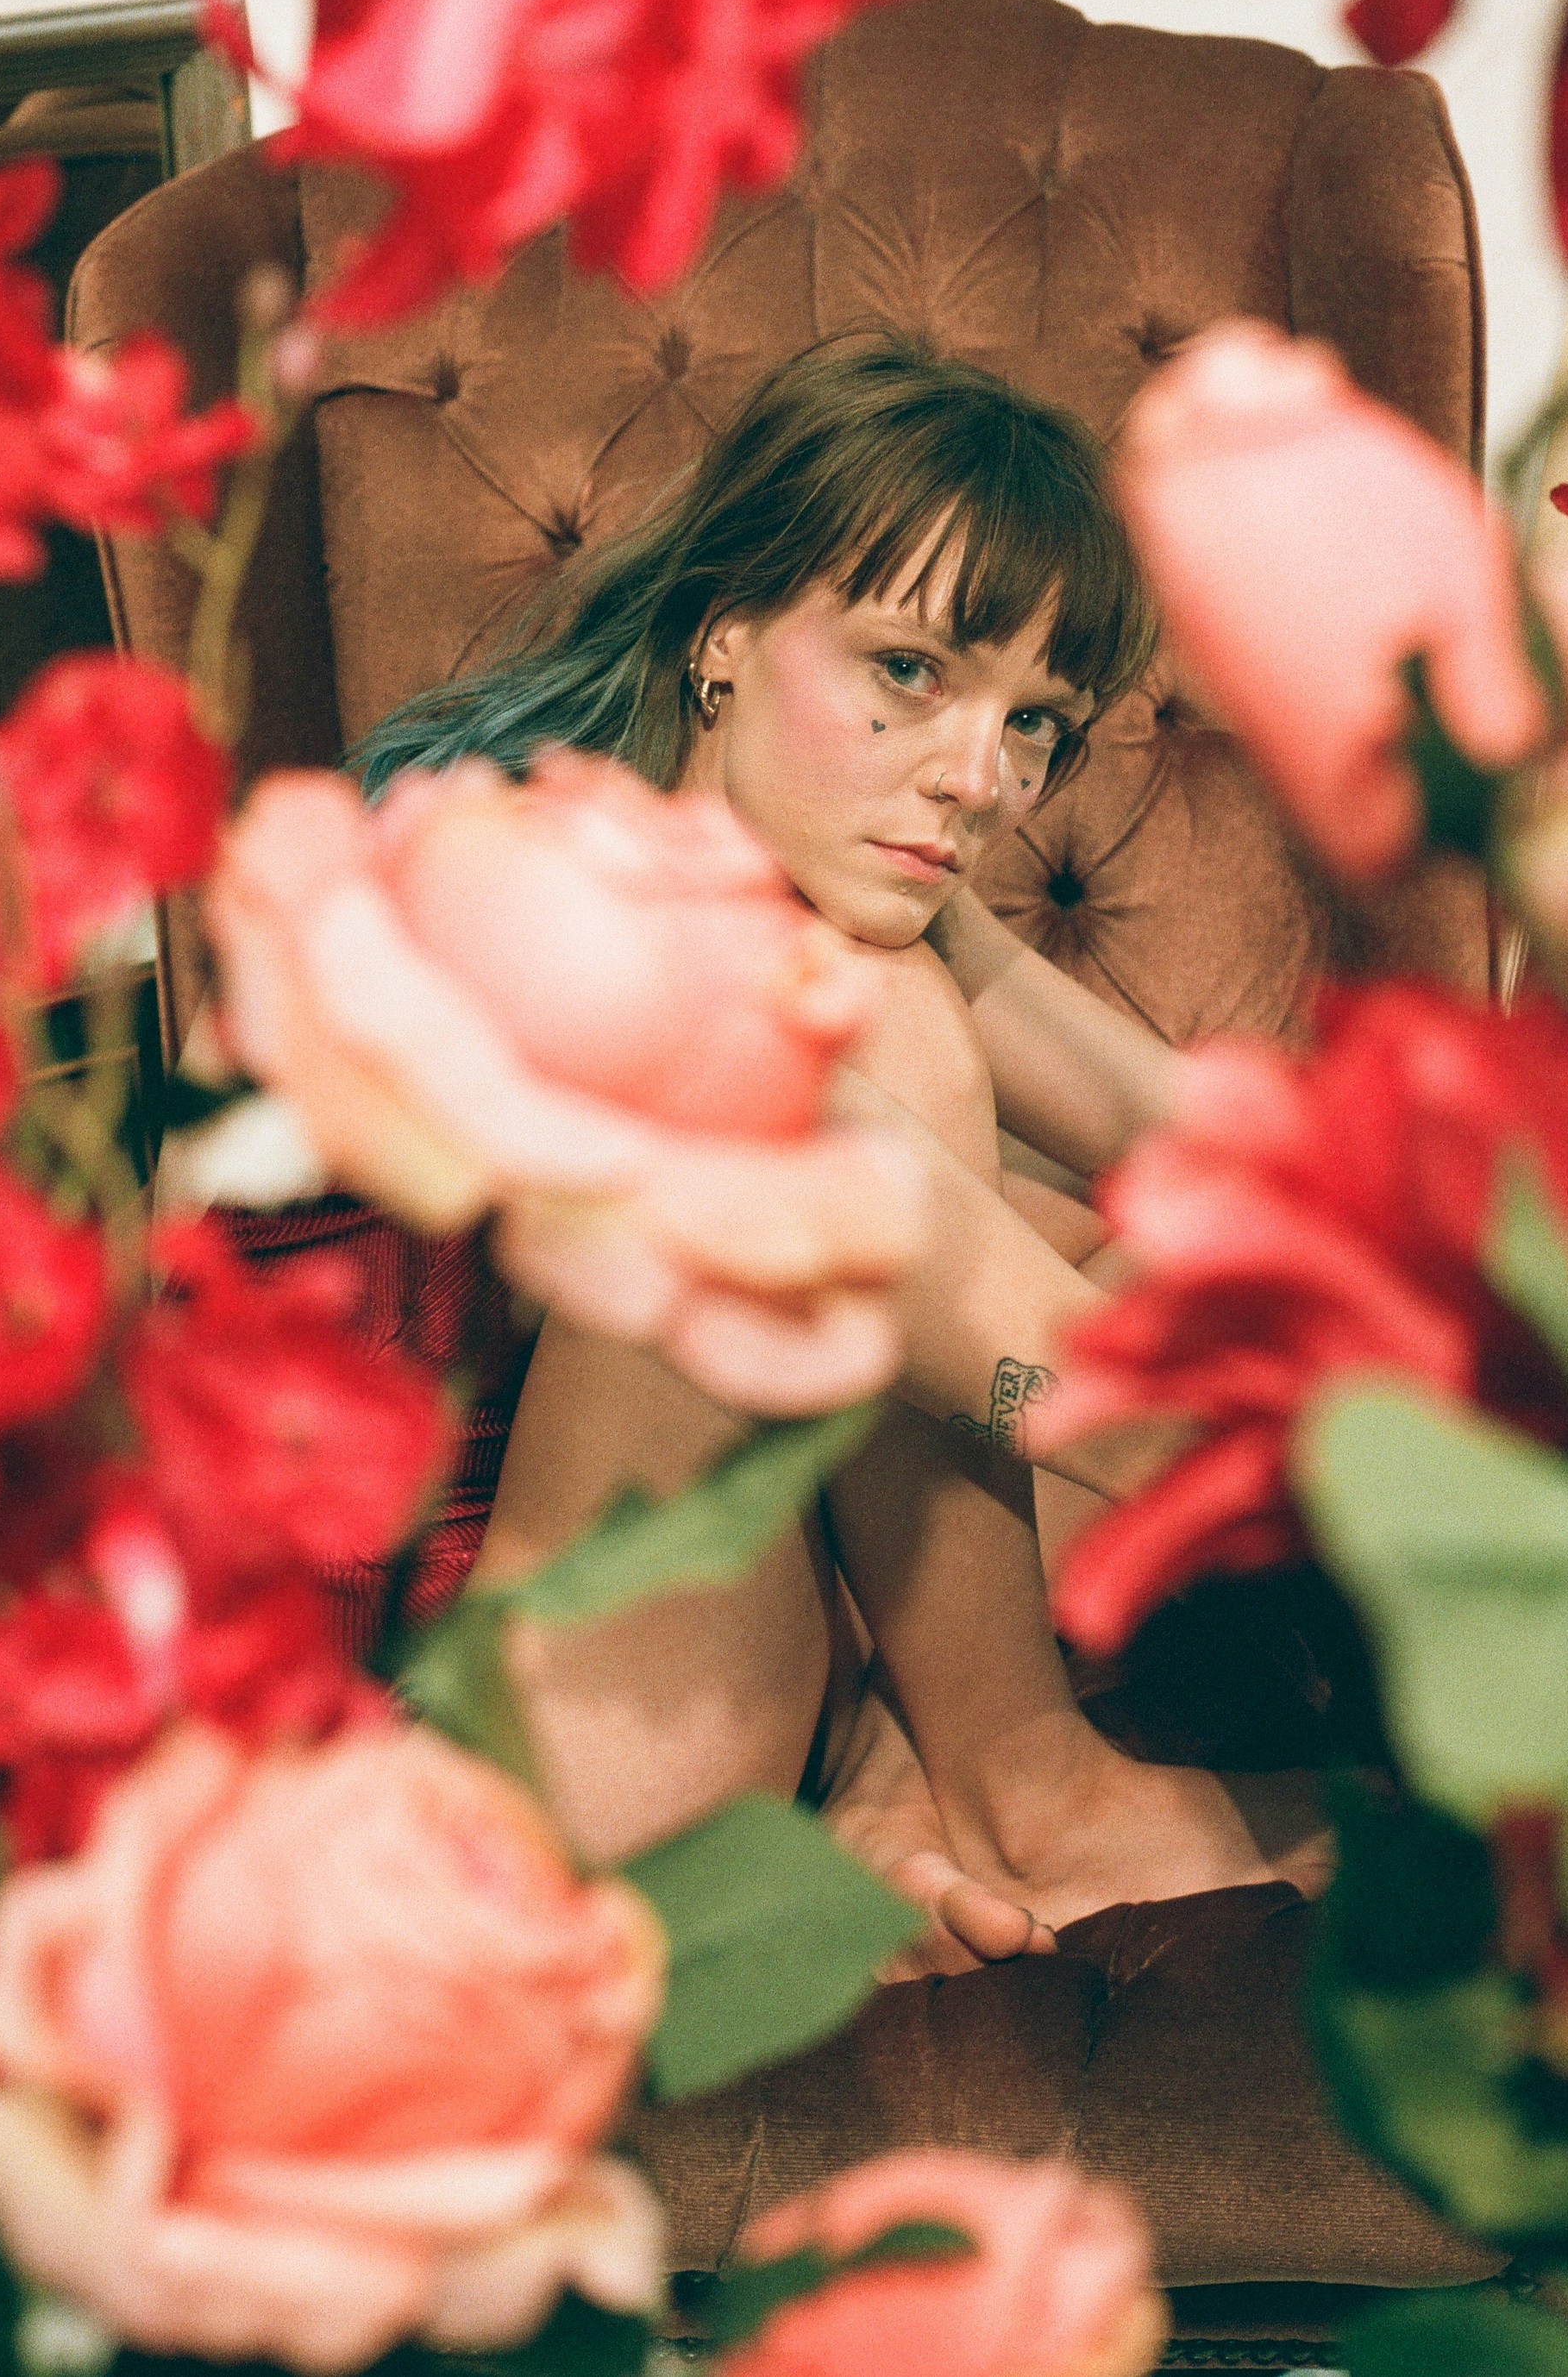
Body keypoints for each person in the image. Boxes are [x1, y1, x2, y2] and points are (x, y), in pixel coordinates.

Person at [360, 337, 1327, 1969]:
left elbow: (1224, 1153)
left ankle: (906, 1769)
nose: (978, 779)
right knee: (859, 1058)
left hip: (739, 1661)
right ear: (725, 629)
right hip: (478, 1765)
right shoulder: (527, 879)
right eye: (909, 672)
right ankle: (1024, 1790)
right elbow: (975, 1302)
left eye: (1036, 723)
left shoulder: (832, 876)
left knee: (1174, 1213)